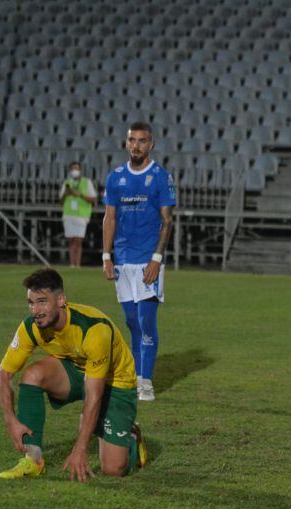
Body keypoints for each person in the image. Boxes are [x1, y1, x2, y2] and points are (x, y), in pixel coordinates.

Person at [0, 269, 147, 481]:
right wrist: (11, 420)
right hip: (78, 371)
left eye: (42, 301)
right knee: (33, 375)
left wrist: (80, 449)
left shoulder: (94, 330)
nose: (35, 310)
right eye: (31, 302)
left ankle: (131, 437)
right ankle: (33, 459)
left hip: (116, 382)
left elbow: (94, 394)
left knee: (113, 469)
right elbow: (3, 375)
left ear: (60, 300)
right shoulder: (31, 327)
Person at [102, 121, 177, 402]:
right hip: (122, 261)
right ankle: (135, 374)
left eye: (142, 141)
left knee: (146, 320)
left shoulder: (160, 177)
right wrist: (106, 255)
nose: (136, 145)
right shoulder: (115, 177)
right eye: (132, 140)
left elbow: (167, 222)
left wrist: (156, 259)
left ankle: (145, 381)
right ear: (126, 143)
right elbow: (109, 218)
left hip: (148, 261)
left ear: (151, 144)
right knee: (131, 321)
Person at [59, 161, 96, 268]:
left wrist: (80, 195)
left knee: (78, 240)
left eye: (76, 168)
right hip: (69, 214)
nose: (74, 171)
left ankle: (78, 264)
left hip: (82, 215)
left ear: (80, 170)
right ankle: (72, 264)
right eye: (73, 169)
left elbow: (93, 199)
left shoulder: (87, 182)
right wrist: (65, 194)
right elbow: (61, 202)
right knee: (71, 240)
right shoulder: (67, 183)